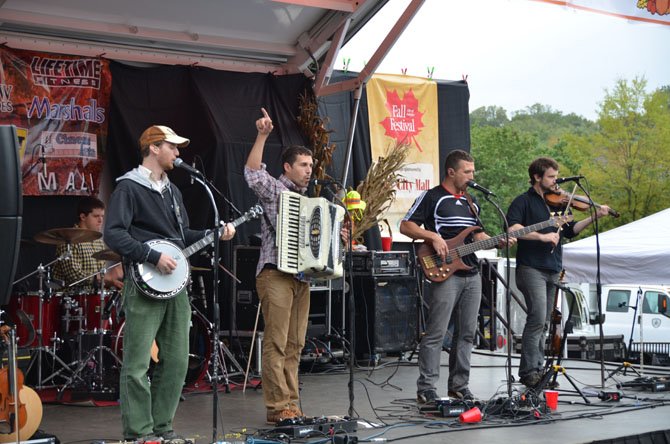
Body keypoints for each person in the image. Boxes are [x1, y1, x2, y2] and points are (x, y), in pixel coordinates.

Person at [104, 125, 235, 442]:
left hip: (175, 286)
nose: (178, 154)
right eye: (172, 147)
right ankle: (139, 432)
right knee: (137, 363)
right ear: (153, 148)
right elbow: (114, 234)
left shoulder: (173, 192)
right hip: (144, 283)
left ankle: (162, 428)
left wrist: (212, 234)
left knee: (176, 360)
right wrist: (150, 255)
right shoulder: (128, 188)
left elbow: (181, 238)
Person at [400, 149, 515, 404]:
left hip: (472, 272)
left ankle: (459, 386)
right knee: (437, 331)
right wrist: (434, 237)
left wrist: (498, 241)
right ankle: (427, 387)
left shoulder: (471, 201)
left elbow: (478, 237)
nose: (472, 176)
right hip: (445, 270)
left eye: (473, 171)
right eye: (467, 171)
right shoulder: (432, 197)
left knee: (467, 333)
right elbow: (406, 225)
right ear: (451, 172)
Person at [506, 157, 610, 387]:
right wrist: (542, 236)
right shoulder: (523, 201)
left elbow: (570, 230)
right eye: (551, 177)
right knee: (537, 318)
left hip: (553, 268)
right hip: (531, 267)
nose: (556, 182)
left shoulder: (557, 204)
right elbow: (513, 229)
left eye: (556, 176)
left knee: (544, 322)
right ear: (537, 177)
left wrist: (594, 216)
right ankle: (529, 372)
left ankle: (539, 370)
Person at [244, 108, 317, 424]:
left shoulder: (311, 202)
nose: (309, 170)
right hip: (275, 273)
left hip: (301, 278)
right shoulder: (276, 189)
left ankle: (292, 405)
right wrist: (262, 135)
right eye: (303, 164)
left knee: (295, 344)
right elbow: (252, 173)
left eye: (311, 165)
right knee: (276, 341)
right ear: (287, 167)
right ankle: (278, 408)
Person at [53, 196, 123, 291]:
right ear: (83, 217)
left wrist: (111, 281)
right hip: (71, 298)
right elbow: (74, 276)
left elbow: (100, 273)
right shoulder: (69, 239)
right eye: (96, 216)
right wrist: (107, 278)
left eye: (102, 216)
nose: (100, 220)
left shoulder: (98, 241)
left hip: (93, 296)